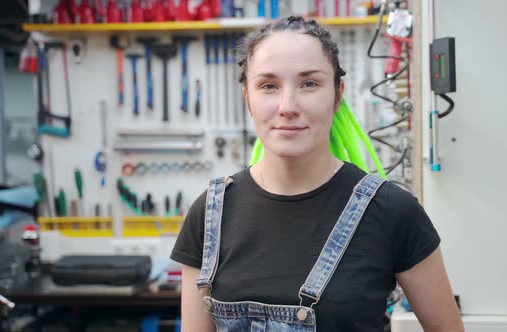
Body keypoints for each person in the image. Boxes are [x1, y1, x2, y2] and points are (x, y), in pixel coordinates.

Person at [170, 16, 464, 332]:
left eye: (309, 83)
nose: (287, 106)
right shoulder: (212, 213)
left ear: (338, 95)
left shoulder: (394, 212)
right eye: (268, 86)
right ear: (247, 98)